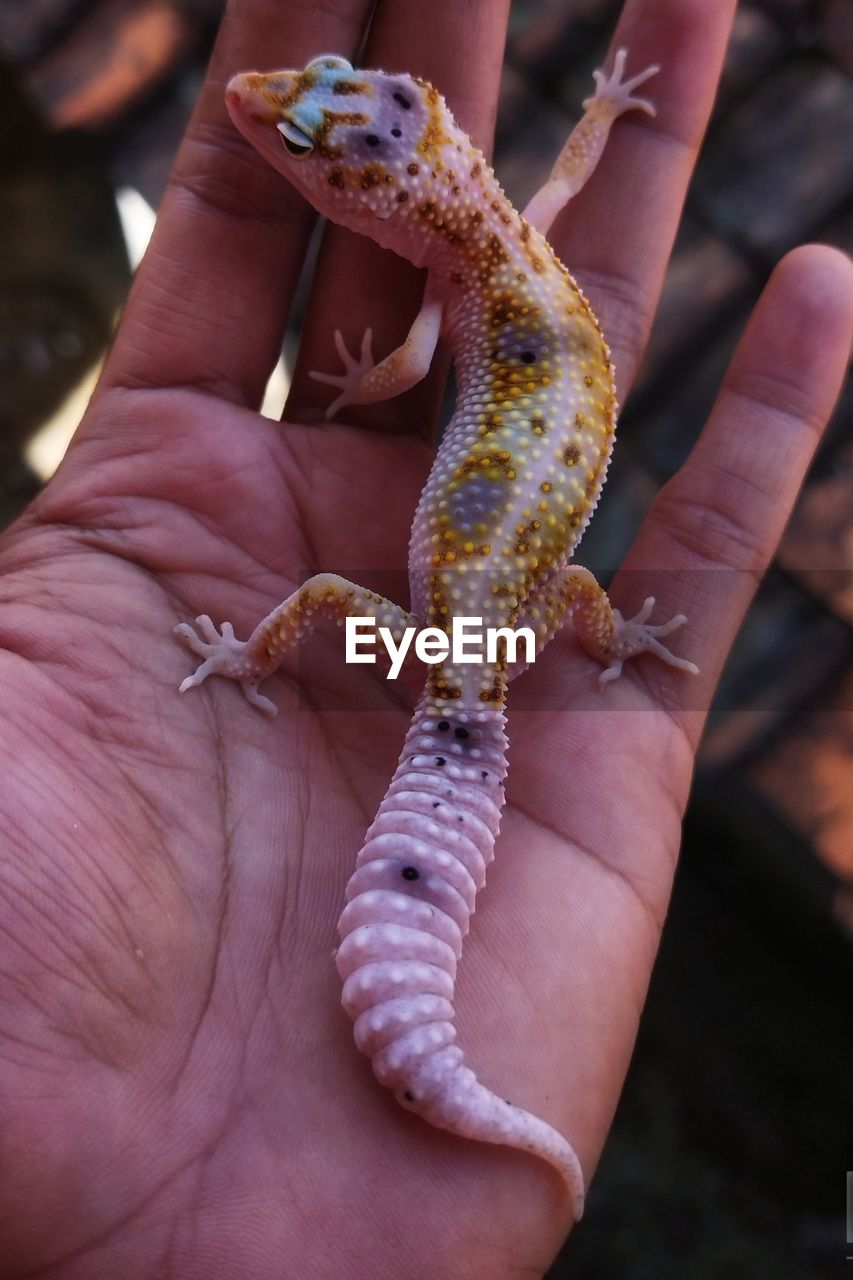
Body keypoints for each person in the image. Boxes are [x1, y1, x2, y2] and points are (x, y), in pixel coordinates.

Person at [1, 0, 850, 1275]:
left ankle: (252, 657)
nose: (275, 116)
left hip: (470, 626)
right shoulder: (497, 240)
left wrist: (340, 403)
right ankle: (321, 661)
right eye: (313, 110)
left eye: (309, 150)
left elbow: (400, 365)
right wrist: (606, 114)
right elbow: (563, 178)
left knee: (352, 615)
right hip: (495, 620)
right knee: (441, 619)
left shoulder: (450, 284)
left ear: (389, 205)